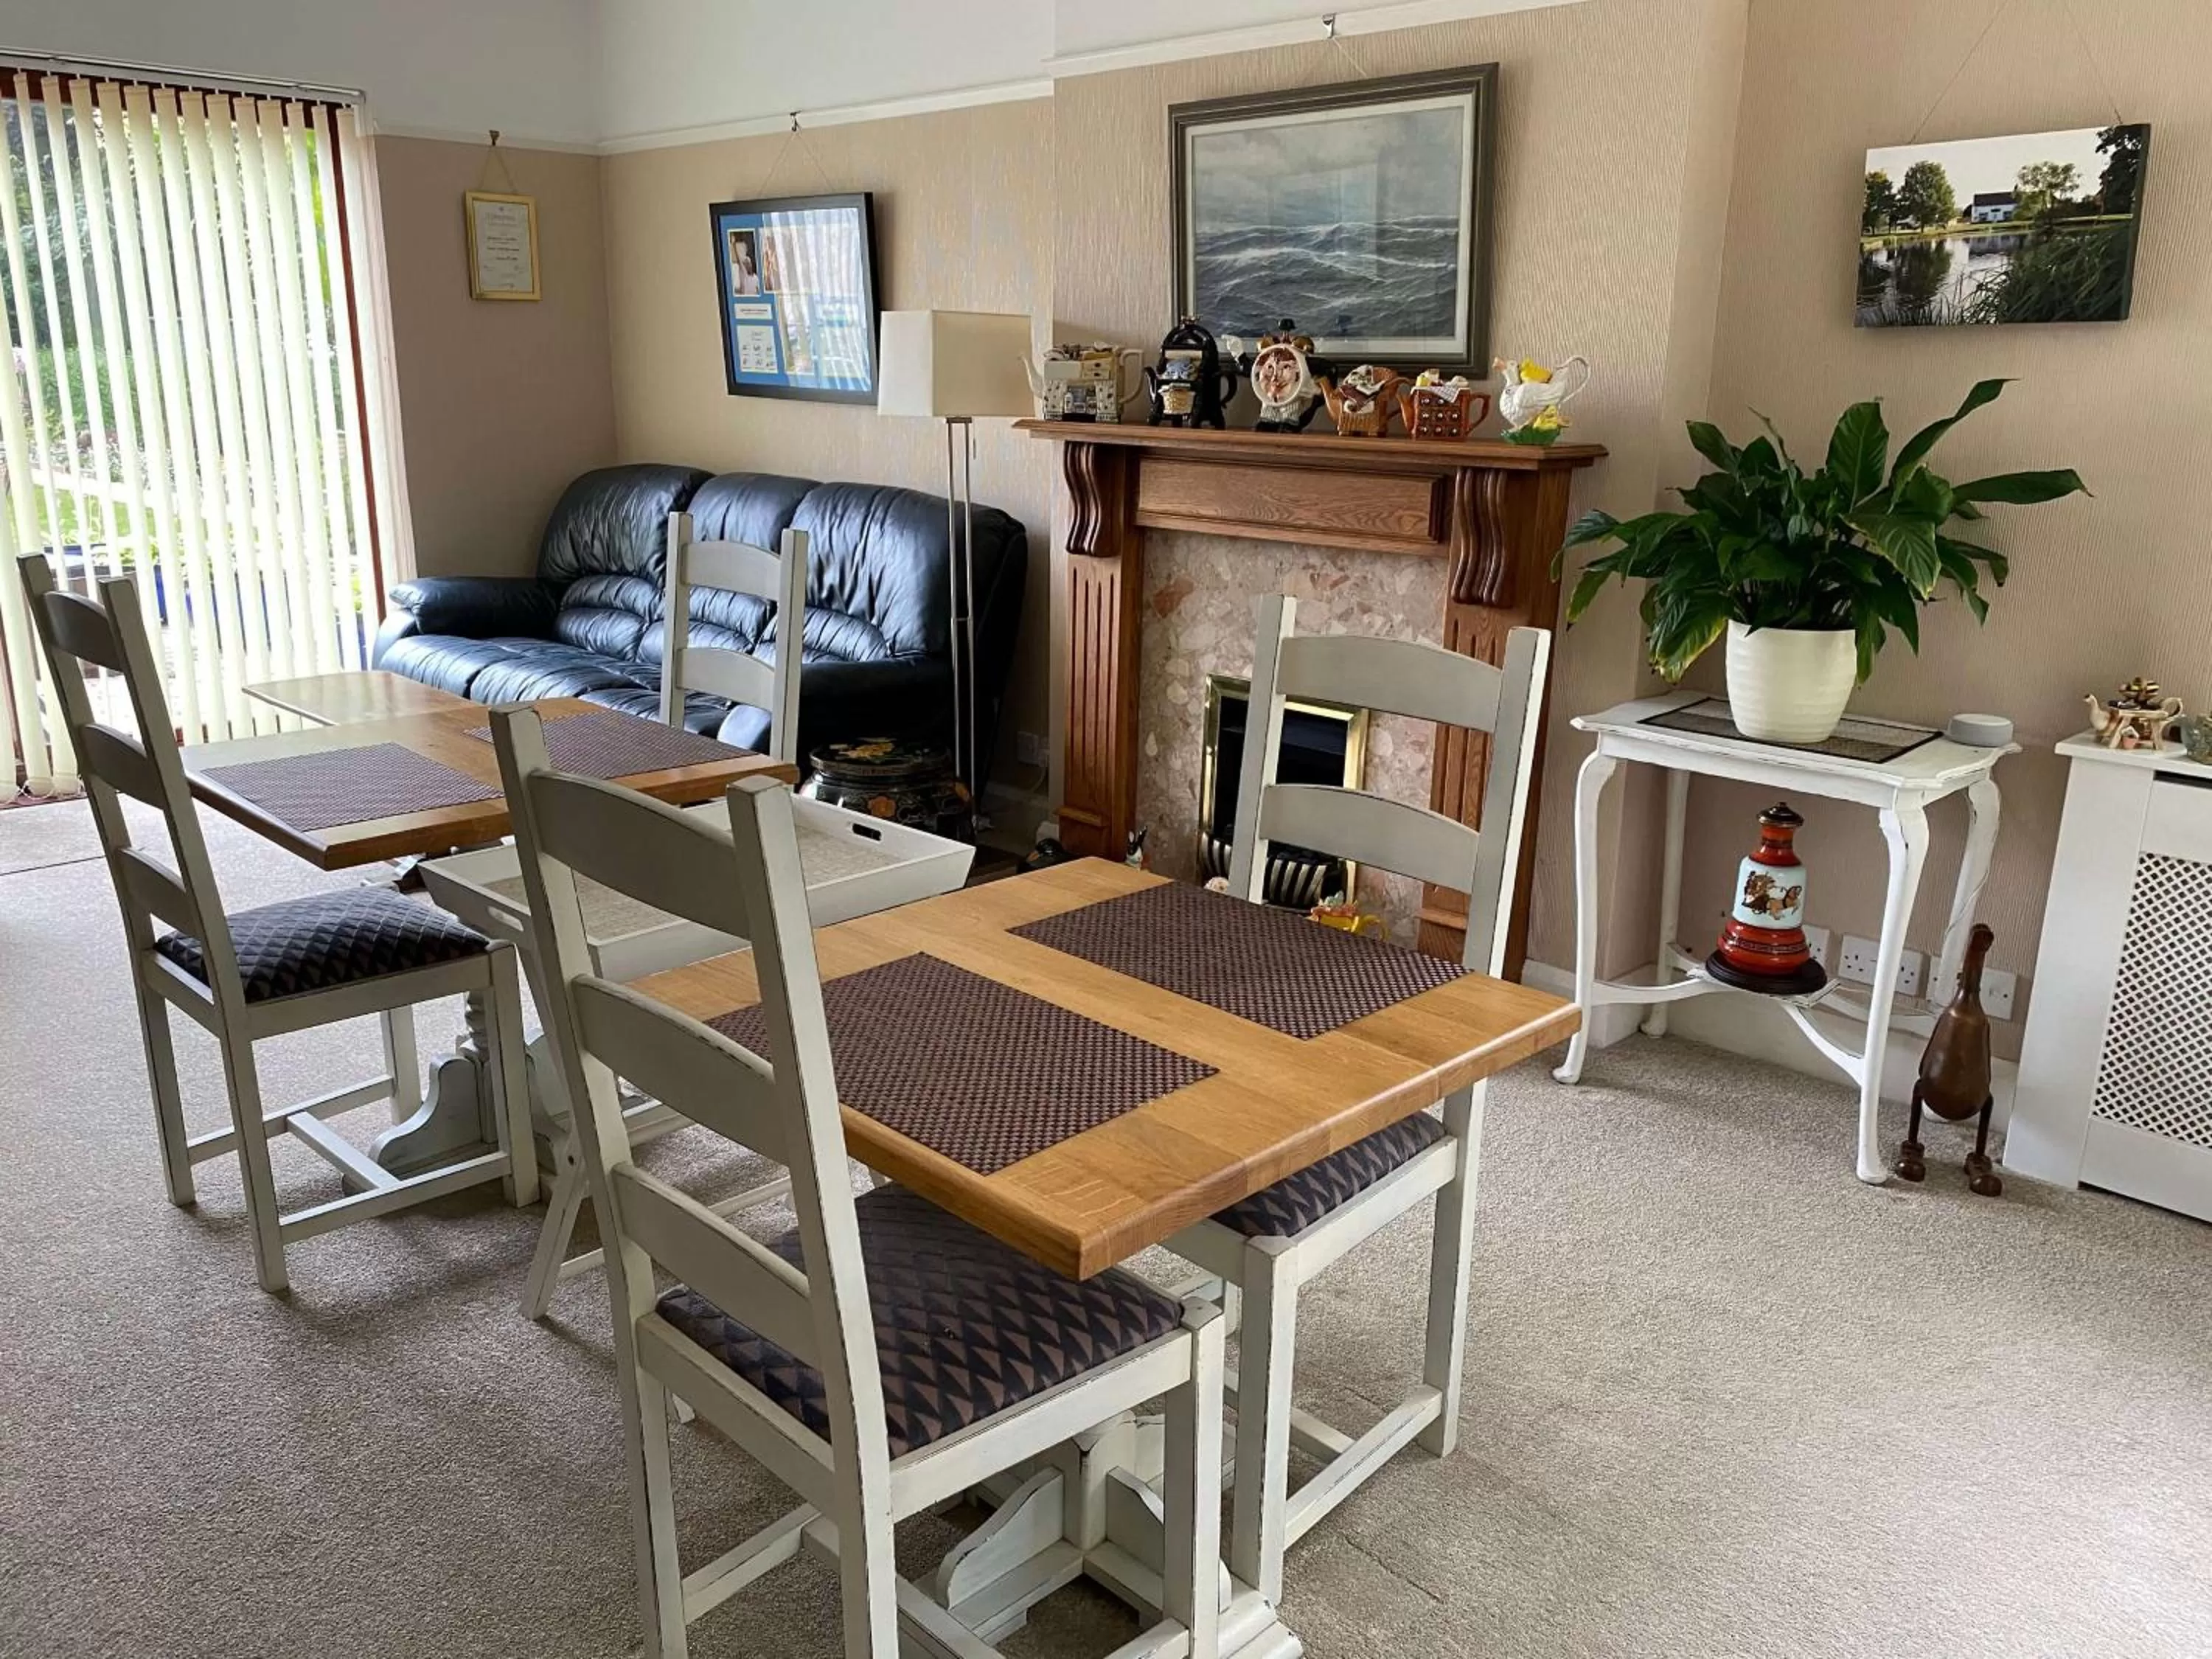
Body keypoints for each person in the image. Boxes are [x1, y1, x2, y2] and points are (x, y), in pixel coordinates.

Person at [728, 232, 762, 296]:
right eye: (746, 264)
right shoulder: (745, 274)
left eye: (749, 263)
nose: (748, 265)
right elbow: (739, 259)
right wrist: (734, 244)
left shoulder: (756, 277)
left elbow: (759, 291)